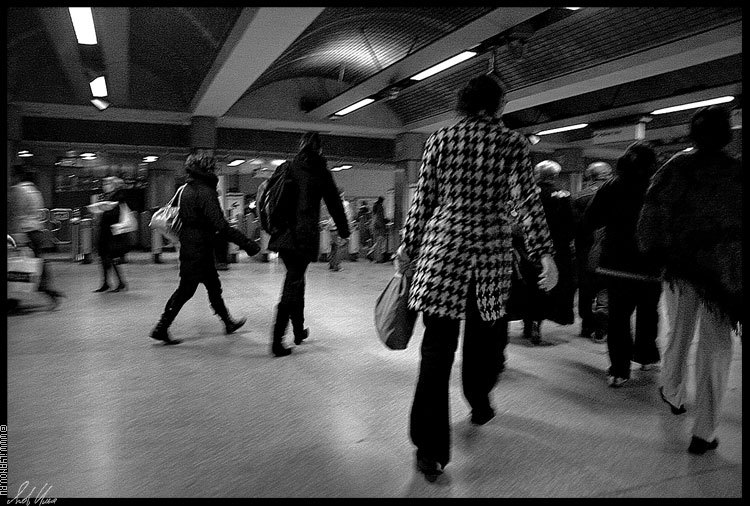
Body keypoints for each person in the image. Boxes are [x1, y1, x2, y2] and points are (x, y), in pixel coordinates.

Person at [394, 75, 557, 482]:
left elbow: (424, 199)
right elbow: (528, 202)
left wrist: (408, 248)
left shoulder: (440, 139)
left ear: (463, 104)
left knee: (436, 351)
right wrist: (544, 253)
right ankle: (480, 399)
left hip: (443, 251)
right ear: (499, 105)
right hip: (490, 254)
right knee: (486, 340)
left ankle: (429, 449)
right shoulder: (513, 143)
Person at [637, 106, 742, 454]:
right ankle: (704, 431)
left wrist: (655, 252)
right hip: (722, 275)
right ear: (727, 135)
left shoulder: (675, 167)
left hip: (680, 269)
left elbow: (651, 213)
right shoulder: (736, 173)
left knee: (678, 334)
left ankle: (673, 390)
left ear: (692, 135)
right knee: (716, 349)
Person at [150, 151, 260, 345]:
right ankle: (162, 326)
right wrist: (247, 244)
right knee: (186, 290)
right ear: (206, 168)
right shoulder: (205, 192)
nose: (214, 169)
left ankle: (227, 322)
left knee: (213, 286)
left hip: (191, 246)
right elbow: (221, 225)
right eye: (212, 166)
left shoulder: (186, 189)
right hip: (199, 249)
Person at [581, 142, 662, 387]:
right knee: (649, 313)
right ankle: (646, 356)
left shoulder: (610, 187)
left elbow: (590, 220)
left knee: (618, 317)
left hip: (616, 263)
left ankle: (619, 369)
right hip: (650, 265)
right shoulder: (658, 188)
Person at [268, 132, 350, 357]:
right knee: (293, 283)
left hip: (283, 235)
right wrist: (344, 231)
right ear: (319, 149)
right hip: (302, 237)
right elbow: (334, 203)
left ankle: (298, 331)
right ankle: (277, 341)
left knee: (297, 281)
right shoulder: (320, 171)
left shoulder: (289, 166)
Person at [520, 160, 575, 344]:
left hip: (529, 247)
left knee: (529, 285)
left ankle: (529, 322)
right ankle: (539, 322)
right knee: (548, 285)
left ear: (537, 174)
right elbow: (571, 223)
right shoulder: (564, 195)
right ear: (555, 176)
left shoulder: (529, 193)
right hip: (557, 248)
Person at [8, 165, 65, 309]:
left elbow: (18, 214)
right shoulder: (35, 190)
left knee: (19, 266)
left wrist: (17, 235)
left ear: (17, 176)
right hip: (36, 231)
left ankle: (18, 298)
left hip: (24, 232)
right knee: (35, 264)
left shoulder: (18, 190)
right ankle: (47, 290)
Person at [572, 162, 613, 342]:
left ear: (589, 176)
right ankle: (603, 319)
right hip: (610, 249)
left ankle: (586, 324)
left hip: (585, 250)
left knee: (586, 288)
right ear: (608, 174)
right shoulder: (617, 194)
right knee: (605, 286)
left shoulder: (580, 197)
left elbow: (575, 226)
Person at [91, 177, 129, 293]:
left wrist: (104, 209)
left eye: (107, 183)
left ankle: (119, 283)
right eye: (104, 183)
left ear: (114, 185)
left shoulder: (118, 197)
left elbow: (116, 214)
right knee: (104, 257)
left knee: (111, 257)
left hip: (112, 232)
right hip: (105, 231)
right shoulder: (106, 197)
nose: (104, 185)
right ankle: (107, 283)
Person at [327, 190, 352, 271]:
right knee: (341, 246)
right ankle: (337, 266)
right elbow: (347, 216)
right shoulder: (345, 204)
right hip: (339, 228)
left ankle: (331, 264)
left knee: (333, 246)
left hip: (331, 228)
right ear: (341, 195)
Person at [368, 196, 387, 262]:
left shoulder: (375, 207)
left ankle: (373, 255)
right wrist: (385, 222)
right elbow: (381, 217)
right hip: (380, 227)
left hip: (375, 227)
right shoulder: (380, 207)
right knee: (380, 242)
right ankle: (378, 258)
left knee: (376, 242)